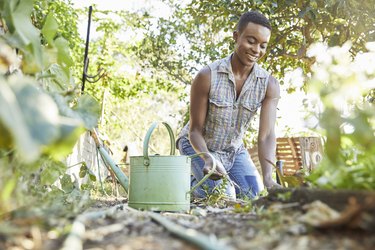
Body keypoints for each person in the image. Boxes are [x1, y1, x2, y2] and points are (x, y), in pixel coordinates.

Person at [176, 10, 281, 199]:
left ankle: (203, 181)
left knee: (253, 196)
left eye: (263, 45)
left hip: (234, 151)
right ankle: (184, 182)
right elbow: (194, 131)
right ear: (236, 36)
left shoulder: (269, 85)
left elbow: (266, 136)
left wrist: (268, 177)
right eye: (251, 41)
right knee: (223, 196)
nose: (256, 50)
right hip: (198, 147)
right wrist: (208, 157)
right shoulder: (207, 76)